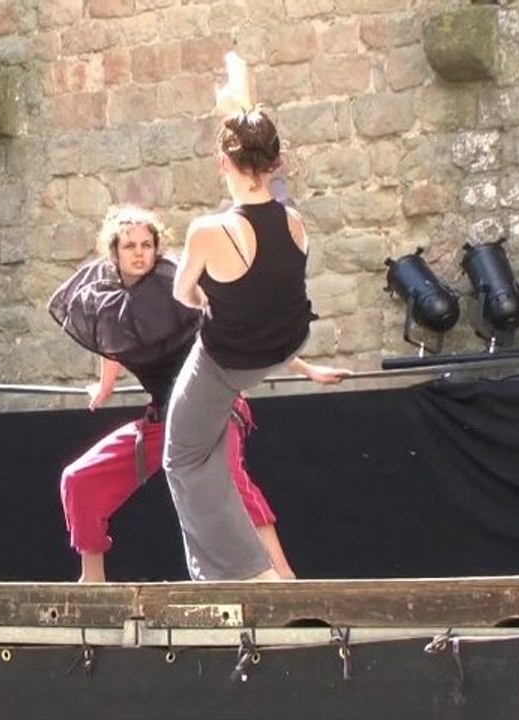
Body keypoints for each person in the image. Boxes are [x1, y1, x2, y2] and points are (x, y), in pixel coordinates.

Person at [49, 205, 333, 582]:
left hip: (213, 404)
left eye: (146, 245)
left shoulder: (175, 282)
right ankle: (93, 581)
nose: (138, 252)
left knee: (227, 477)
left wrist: (305, 367)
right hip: (165, 416)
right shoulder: (105, 298)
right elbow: (112, 341)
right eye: (129, 245)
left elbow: (238, 332)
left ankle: (283, 578)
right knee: (79, 479)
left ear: (156, 248)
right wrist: (104, 386)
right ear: (114, 252)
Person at [164, 106, 343, 581]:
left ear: (223, 163)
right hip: (282, 344)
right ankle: (241, 563)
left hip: (230, 360)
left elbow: (183, 293)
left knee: (182, 458)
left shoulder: (209, 230)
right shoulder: (295, 222)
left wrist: (205, 297)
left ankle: (249, 571)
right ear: (277, 163)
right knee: (210, 444)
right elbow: (269, 292)